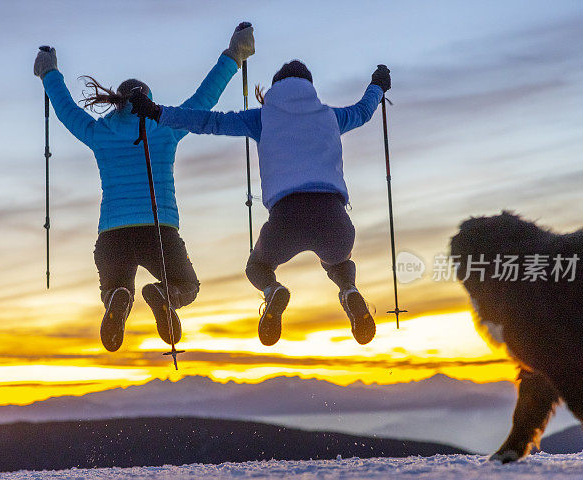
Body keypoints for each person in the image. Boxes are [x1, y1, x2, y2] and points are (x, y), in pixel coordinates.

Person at [128, 61, 390, 346]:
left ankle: (272, 289)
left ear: (275, 88)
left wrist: (157, 112)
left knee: (258, 267)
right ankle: (349, 291)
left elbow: (209, 121)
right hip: (335, 220)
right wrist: (378, 84)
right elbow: (364, 111)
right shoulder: (331, 117)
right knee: (338, 261)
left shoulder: (263, 118)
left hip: (285, 220)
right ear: (310, 88)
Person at [33, 23, 255, 352]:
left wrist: (49, 72)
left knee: (114, 287)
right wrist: (234, 54)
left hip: (113, 234)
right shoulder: (167, 126)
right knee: (186, 286)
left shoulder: (100, 132)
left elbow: (66, 110)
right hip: (159, 230)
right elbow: (205, 98)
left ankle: (118, 297)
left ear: (116, 102)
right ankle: (165, 295)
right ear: (149, 100)